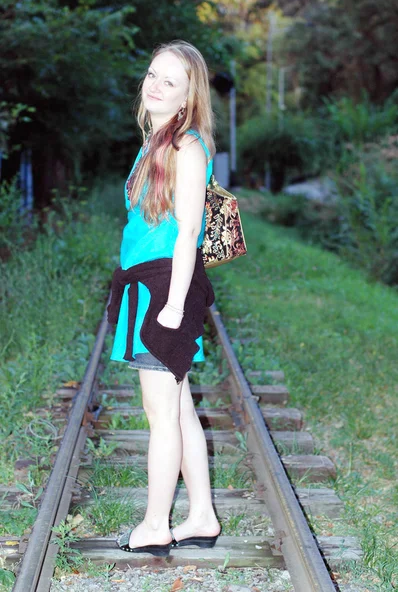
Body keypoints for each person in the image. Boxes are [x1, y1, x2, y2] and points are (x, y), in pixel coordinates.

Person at [109, 40, 221, 556]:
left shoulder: (186, 147)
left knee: (161, 414)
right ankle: (201, 515)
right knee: (178, 411)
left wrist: (174, 306)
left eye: (169, 81)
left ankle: (157, 523)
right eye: (152, 74)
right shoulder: (157, 140)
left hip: (164, 287)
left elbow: (188, 231)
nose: (154, 85)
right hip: (148, 283)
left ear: (187, 95)